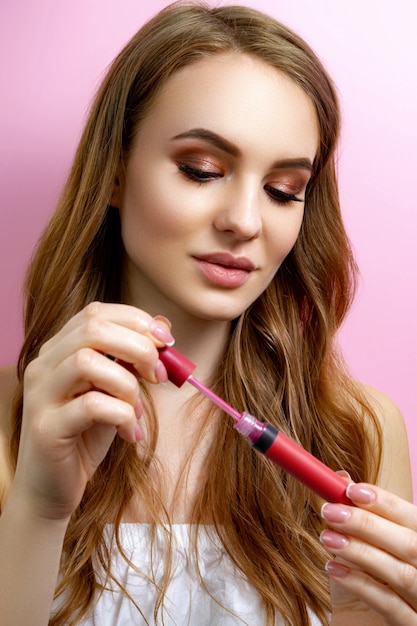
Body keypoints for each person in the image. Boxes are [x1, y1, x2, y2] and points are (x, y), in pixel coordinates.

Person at [0, 2, 415, 625]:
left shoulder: (358, 430)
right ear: (114, 170)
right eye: (203, 171)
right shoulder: (17, 420)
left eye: (283, 191)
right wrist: (38, 508)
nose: (246, 221)